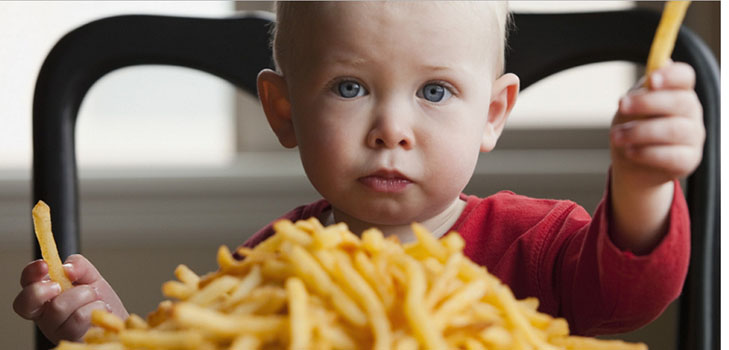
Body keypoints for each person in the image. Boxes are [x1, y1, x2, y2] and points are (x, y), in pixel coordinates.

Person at [14, 1, 705, 344]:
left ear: (492, 114)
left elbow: (629, 295)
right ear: (284, 112)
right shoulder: (267, 273)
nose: (390, 128)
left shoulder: (540, 245)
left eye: (434, 92)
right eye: (349, 88)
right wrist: (114, 329)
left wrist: (642, 183)